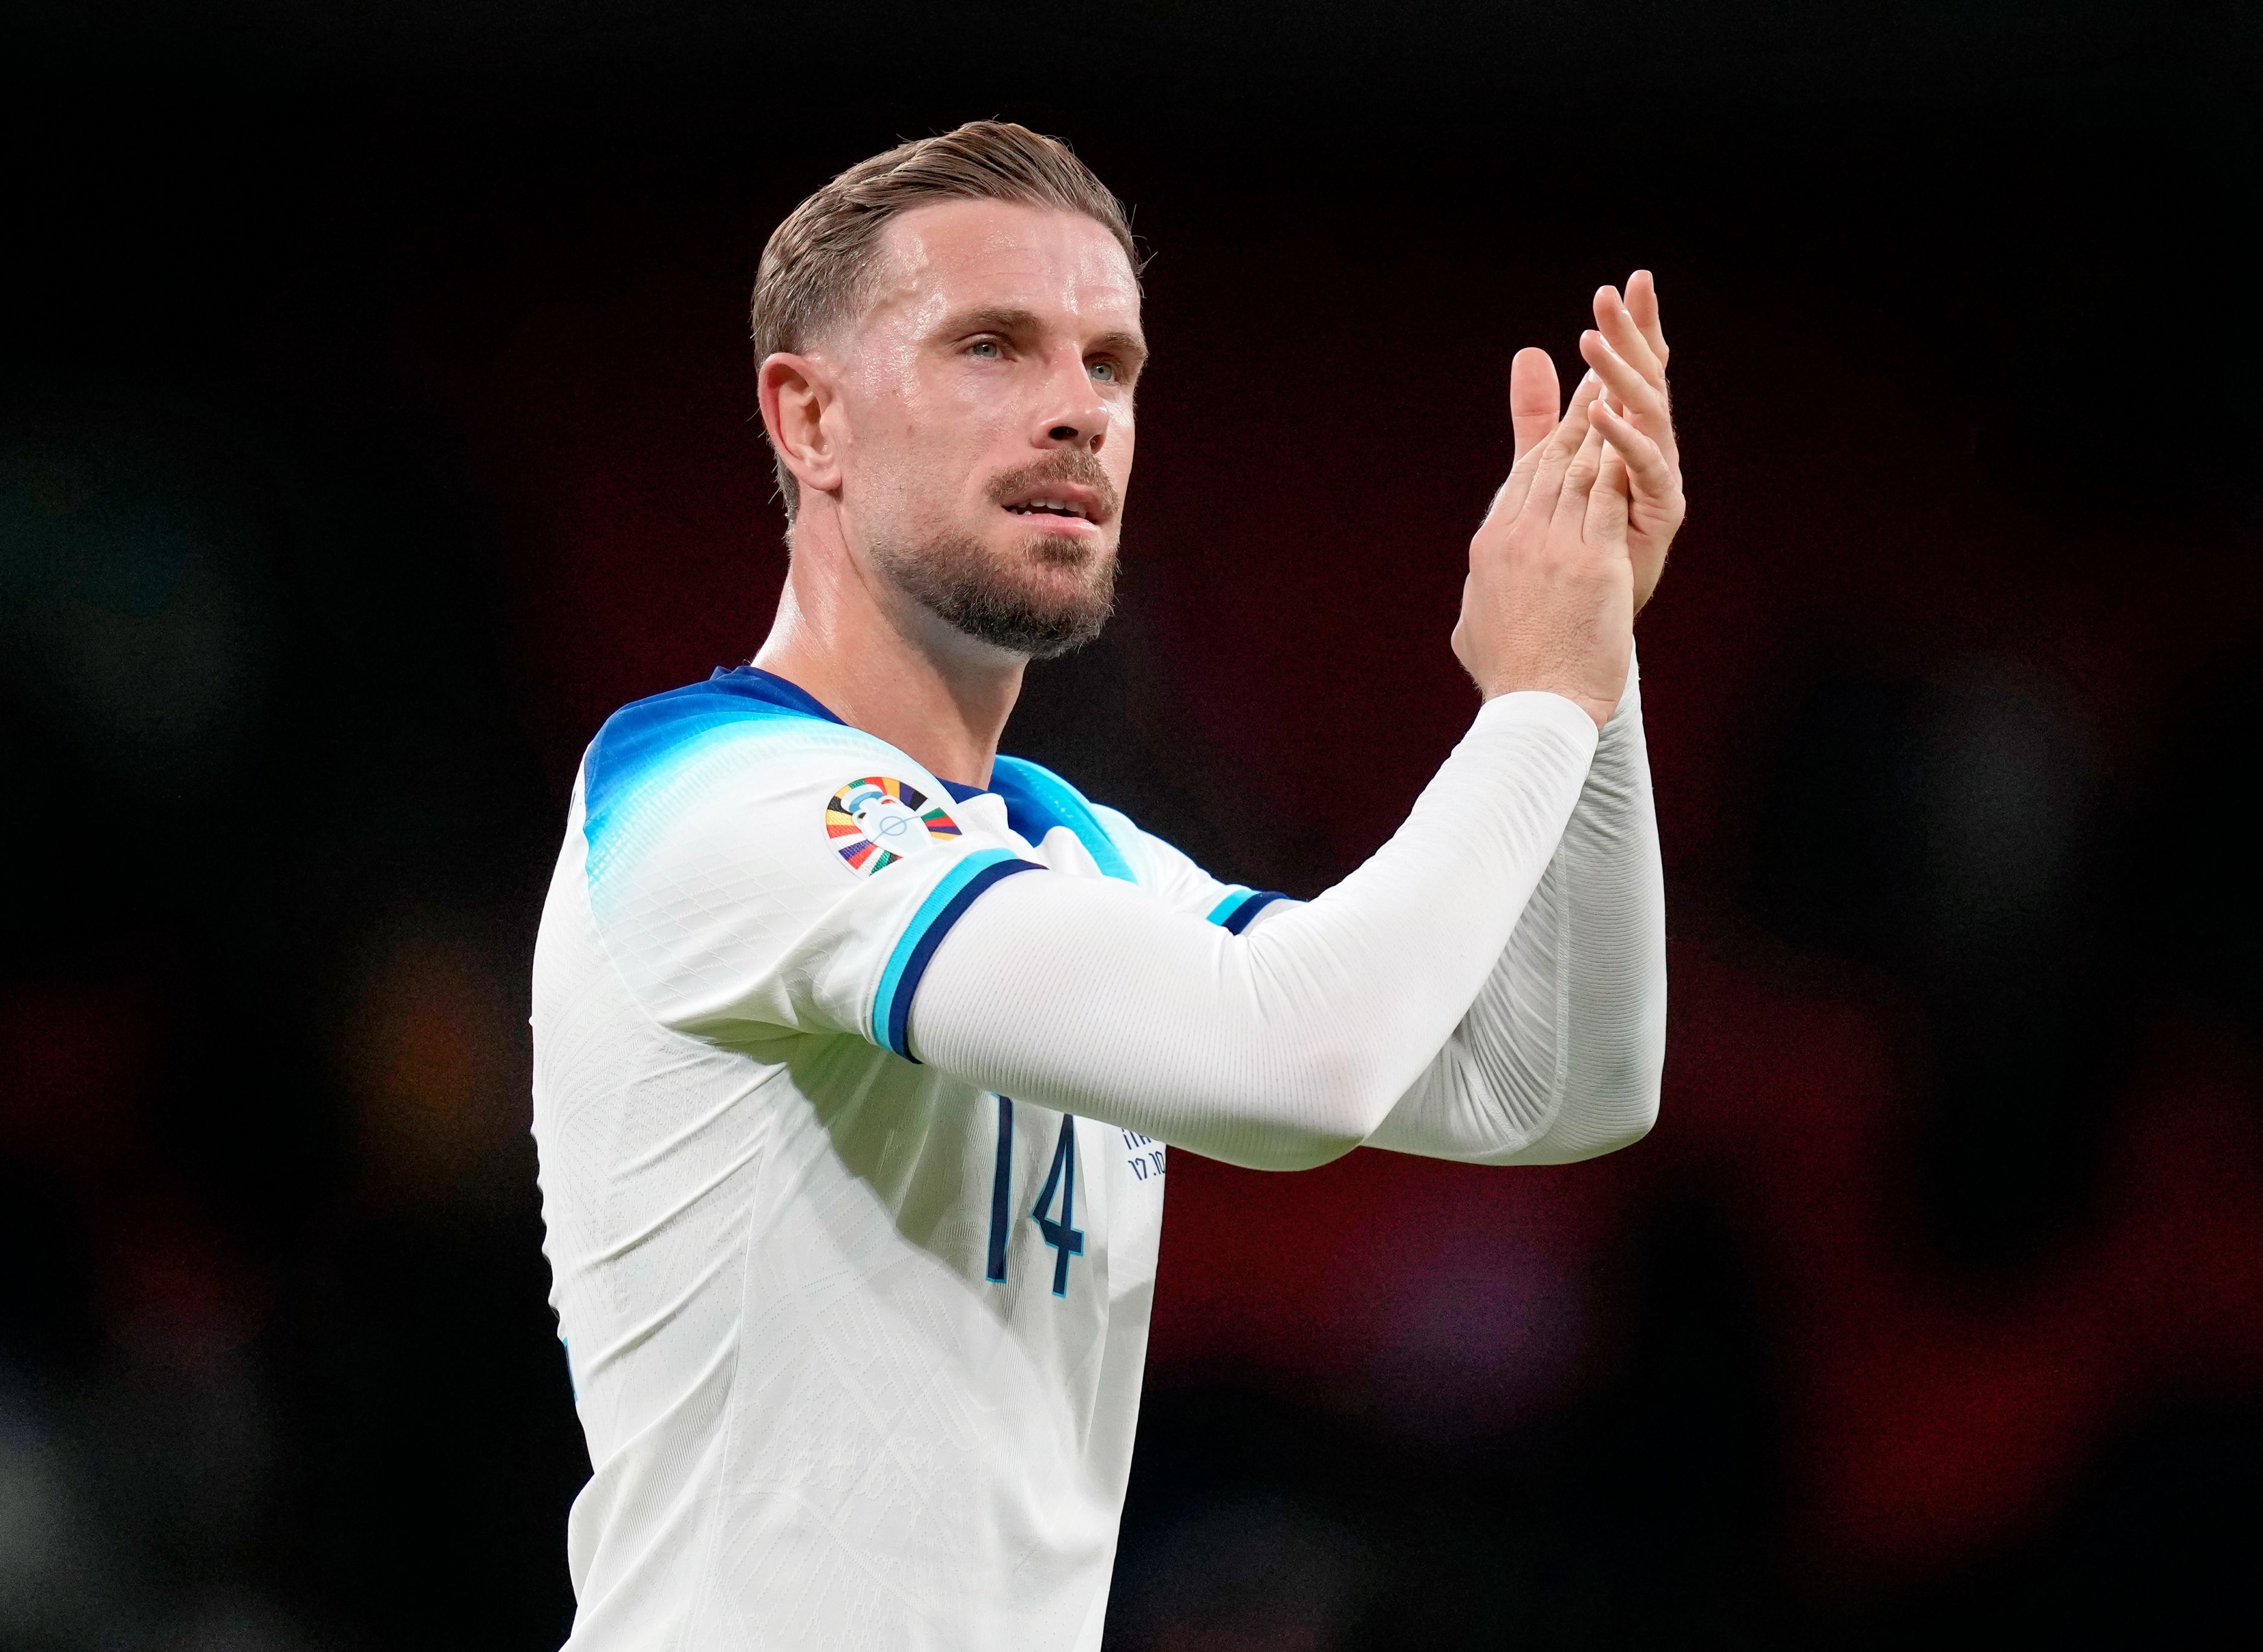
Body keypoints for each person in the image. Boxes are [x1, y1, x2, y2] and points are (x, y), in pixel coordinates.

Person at [529, 120, 1679, 1651]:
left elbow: (1554, 1084)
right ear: (809, 419)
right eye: (990, 347)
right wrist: (1532, 704)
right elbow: (1298, 1063)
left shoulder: (1071, 850)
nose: (1076, 410)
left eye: (1110, 365)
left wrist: (1594, 668)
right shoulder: (713, 799)